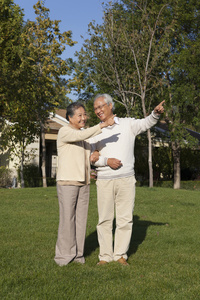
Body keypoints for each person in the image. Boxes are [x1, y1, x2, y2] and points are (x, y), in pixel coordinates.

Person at [89, 94, 165, 266]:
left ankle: (120, 255)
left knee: (125, 219)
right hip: (105, 180)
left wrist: (155, 113)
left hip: (126, 180)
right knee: (104, 220)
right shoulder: (95, 130)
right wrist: (106, 161)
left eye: (100, 106)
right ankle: (105, 257)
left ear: (110, 106)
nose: (98, 111)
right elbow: (89, 158)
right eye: (95, 109)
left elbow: (146, 123)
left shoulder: (127, 124)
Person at [54, 102, 115, 266]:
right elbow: (81, 136)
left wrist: (95, 151)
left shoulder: (83, 135)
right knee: (68, 220)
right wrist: (103, 124)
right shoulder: (64, 131)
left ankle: (78, 255)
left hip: (84, 183)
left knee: (81, 220)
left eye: (84, 115)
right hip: (68, 183)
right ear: (70, 117)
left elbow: (90, 149)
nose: (83, 118)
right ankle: (63, 257)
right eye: (80, 115)